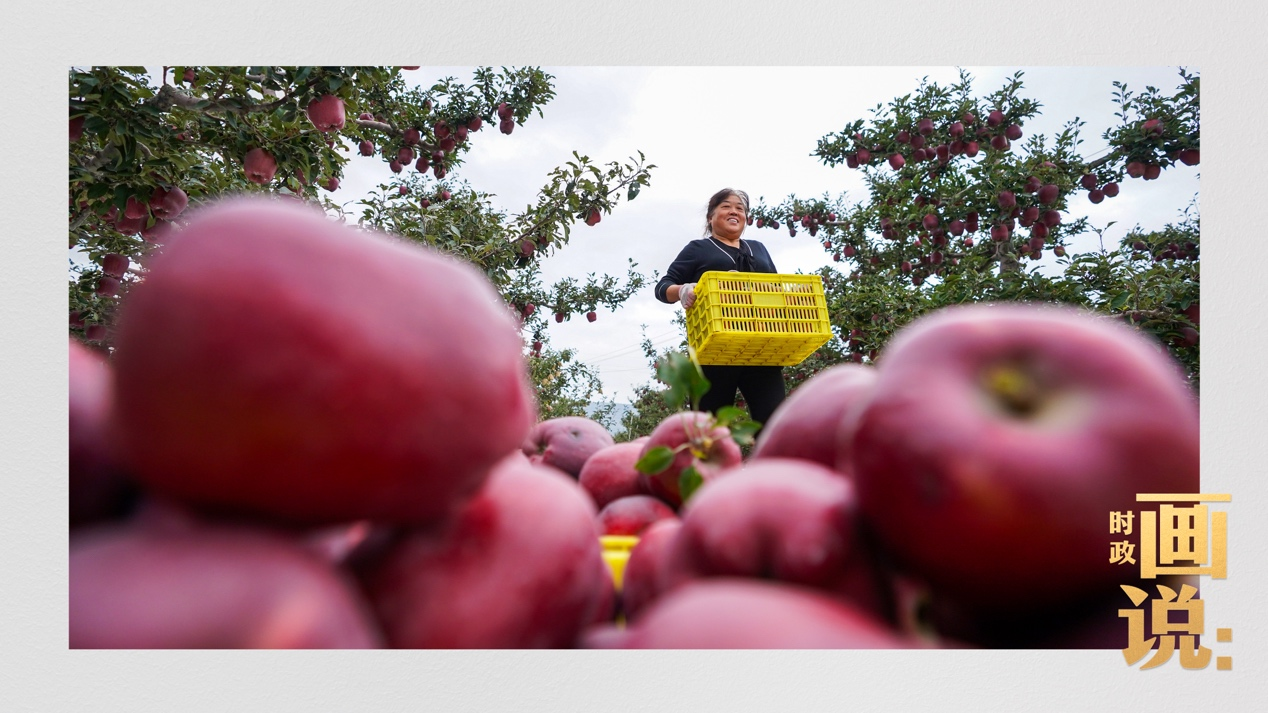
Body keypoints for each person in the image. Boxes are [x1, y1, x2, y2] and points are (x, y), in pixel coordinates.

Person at [654, 188, 786, 427]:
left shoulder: (758, 248)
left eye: (740, 208)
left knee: (773, 422)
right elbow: (663, 287)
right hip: (716, 346)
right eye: (726, 206)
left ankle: (770, 464)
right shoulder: (698, 249)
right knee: (710, 426)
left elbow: (774, 288)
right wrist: (684, 289)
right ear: (710, 217)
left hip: (762, 346)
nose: (734, 211)